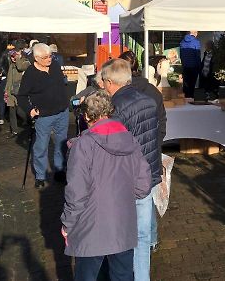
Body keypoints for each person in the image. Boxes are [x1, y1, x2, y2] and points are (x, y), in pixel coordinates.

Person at [61, 90, 151, 281]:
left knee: (88, 276)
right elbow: (143, 186)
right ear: (109, 111)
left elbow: (76, 193)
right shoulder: (130, 139)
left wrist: (67, 224)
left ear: (86, 116)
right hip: (123, 225)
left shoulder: (83, 145)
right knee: (123, 276)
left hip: (91, 226)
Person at [101, 58, 159, 281]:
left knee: (122, 237)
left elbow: (111, 147)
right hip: (148, 174)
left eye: (104, 82)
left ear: (109, 82)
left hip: (125, 179)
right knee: (143, 236)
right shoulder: (148, 100)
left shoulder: (115, 107)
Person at [119, 50, 167, 251]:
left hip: (130, 154)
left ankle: (136, 239)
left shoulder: (122, 96)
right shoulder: (153, 91)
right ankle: (152, 240)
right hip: (151, 151)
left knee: (133, 200)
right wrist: (156, 141)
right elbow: (162, 122)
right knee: (147, 200)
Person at [17, 43, 69, 188]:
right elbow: (21, 96)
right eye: (45, 57)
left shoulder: (55, 66)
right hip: (44, 116)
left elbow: (62, 85)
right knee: (41, 146)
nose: (49, 59)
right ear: (36, 58)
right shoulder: (30, 73)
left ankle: (59, 170)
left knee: (61, 144)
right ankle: (40, 175)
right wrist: (30, 110)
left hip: (62, 112)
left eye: (50, 55)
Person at [5, 49, 30, 136]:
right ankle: (14, 130)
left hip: (20, 91)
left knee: (20, 111)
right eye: (11, 56)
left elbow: (20, 67)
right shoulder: (11, 65)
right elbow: (9, 79)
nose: (13, 58)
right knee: (11, 111)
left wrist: (18, 58)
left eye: (14, 56)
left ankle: (30, 122)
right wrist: (6, 91)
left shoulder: (26, 62)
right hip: (11, 91)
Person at [179, 30, 201, 98]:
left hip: (185, 66)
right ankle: (191, 99)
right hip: (194, 66)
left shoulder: (182, 42)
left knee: (186, 84)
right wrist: (199, 67)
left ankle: (185, 99)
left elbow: (181, 55)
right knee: (192, 85)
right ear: (195, 33)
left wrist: (183, 64)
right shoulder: (196, 42)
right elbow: (197, 56)